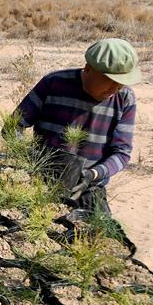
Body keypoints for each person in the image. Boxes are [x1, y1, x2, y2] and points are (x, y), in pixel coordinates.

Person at [15, 38, 141, 214]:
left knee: (101, 237)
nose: (115, 88)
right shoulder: (54, 83)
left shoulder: (125, 98)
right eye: (109, 79)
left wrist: (92, 174)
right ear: (88, 68)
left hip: (88, 188)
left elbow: (121, 153)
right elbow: (14, 126)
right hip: (40, 181)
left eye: (121, 82)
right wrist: (30, 159)